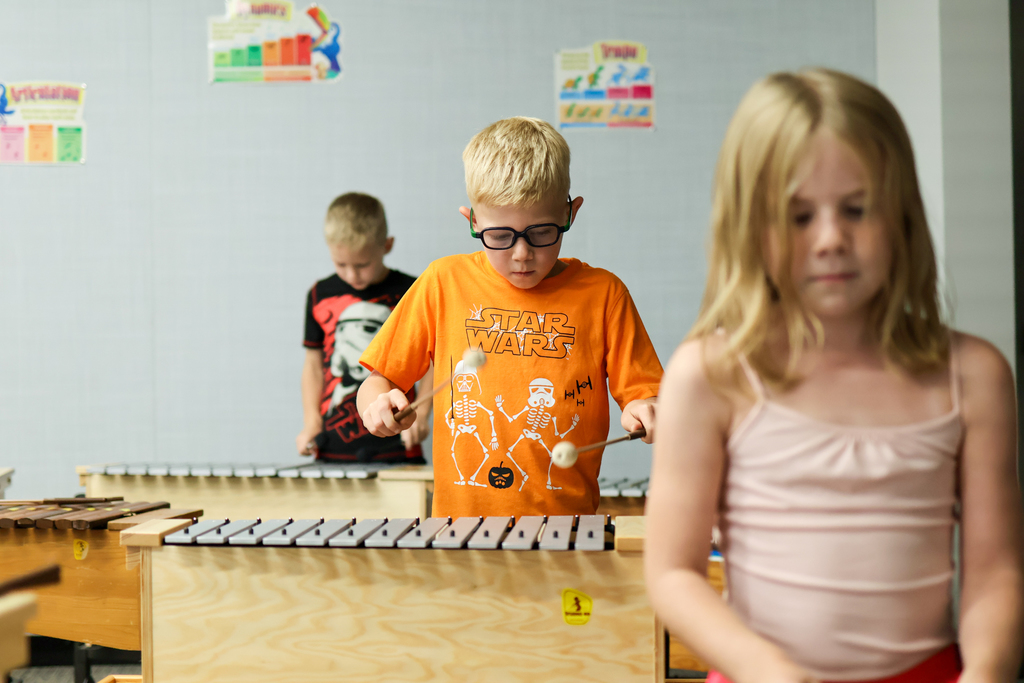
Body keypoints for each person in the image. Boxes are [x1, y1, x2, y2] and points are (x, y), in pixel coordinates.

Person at [644, 68, 1024, 683]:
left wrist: (985, 674)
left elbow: (996, 572)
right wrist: (768, 670)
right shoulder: (708, 376)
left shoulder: (973, 377)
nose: (830, 239)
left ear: (901, 215)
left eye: (857, 209)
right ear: (748, 226)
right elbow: (671, 573)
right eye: (797, 216)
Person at [356, 116, 662, 517]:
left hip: (566, 531)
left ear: (570, 213)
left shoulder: (604, 295)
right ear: (473, 221)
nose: (521, 254)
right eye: (500, 237)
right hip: (459, 533)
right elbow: (378, 381)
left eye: (540, 233)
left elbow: (645, 393)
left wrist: (646, 409)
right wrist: (377, 405)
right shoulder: (442, 282)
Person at [297, 192, 431, 463]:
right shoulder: (319, 294)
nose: (351, 275)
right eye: (341, 264)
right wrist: (311, 421)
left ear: (387, 245)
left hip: (397, 440)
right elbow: (313, 365)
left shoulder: (412, 291)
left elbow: (432, 361)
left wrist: (423, 414)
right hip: (332, 443)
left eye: (362, 265)